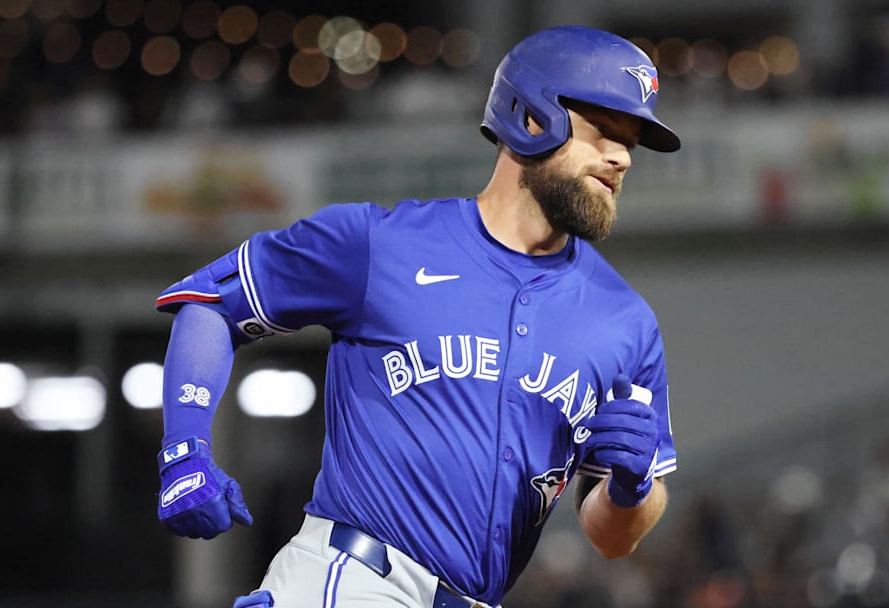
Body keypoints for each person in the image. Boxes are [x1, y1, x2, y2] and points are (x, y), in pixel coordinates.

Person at [153, 25, 681, 608]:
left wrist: (634, 491)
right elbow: (209, 303)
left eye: (631, 141)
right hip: (356, 578)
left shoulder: (626, 321)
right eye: (605, 130)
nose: (622, 157)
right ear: (533, 118)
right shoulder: (381, 244)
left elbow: (609, 538)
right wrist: (185, 448)